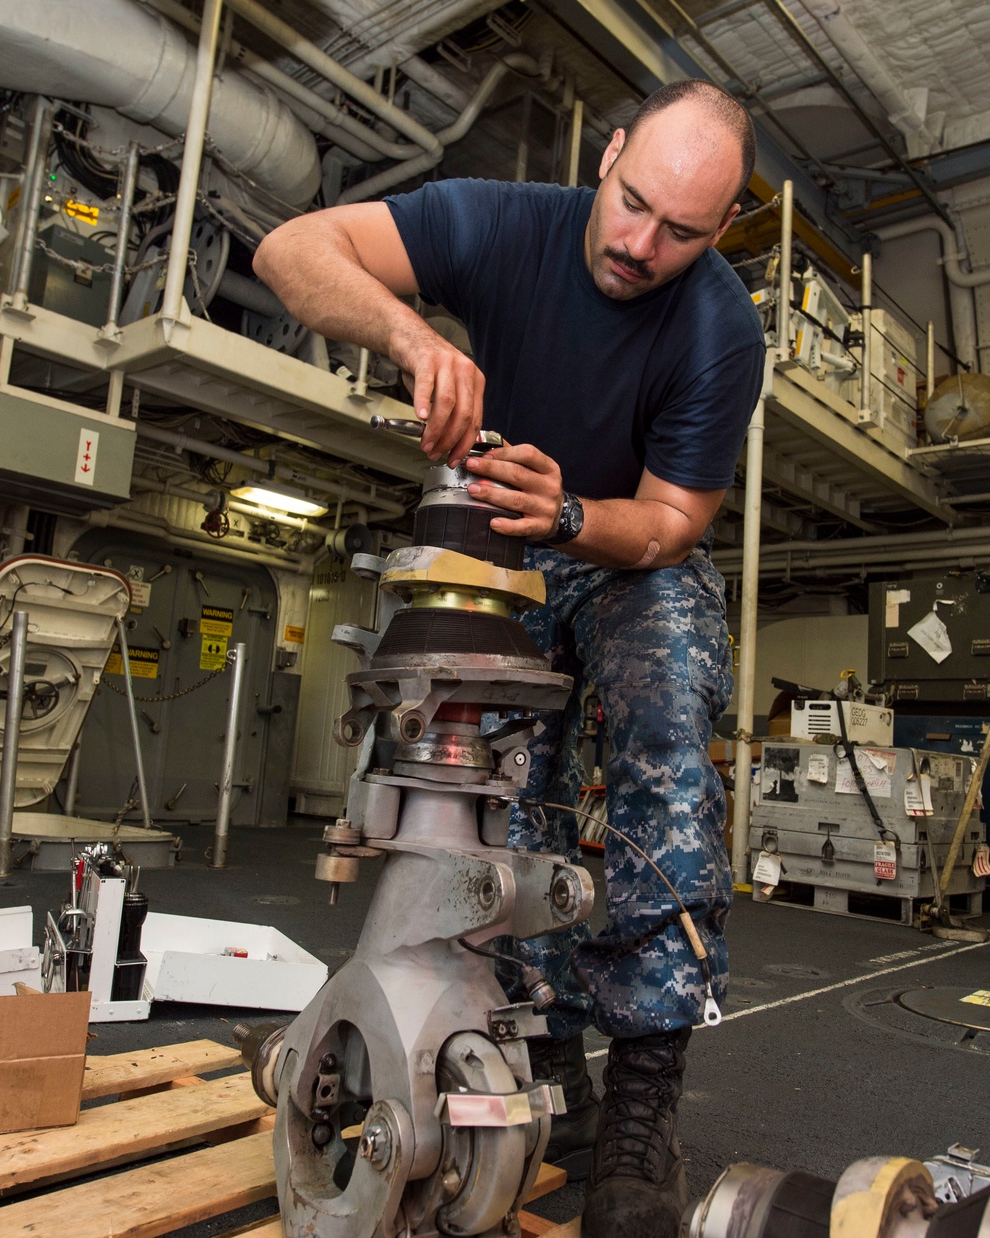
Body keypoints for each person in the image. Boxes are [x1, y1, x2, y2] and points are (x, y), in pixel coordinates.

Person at [253, 78, 765, 1238]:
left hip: (619, 546)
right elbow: (294, 247)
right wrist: (408, 329)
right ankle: (544, 1062)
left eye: (680, 230)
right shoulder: (500, 220)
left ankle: (641, 1098)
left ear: (720, 229)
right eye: (632, 202)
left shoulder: (720, 328)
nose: (640, 244)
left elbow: (673, 518)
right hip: (500, 555)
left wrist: (576, 511)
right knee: (490, 781)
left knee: (666, 718)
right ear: (609, 149)